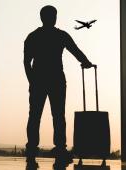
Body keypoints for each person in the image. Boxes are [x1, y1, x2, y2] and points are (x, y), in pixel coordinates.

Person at [24, 5, 93, 167]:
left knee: (34, 116)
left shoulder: (33, 37)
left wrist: (32, 80)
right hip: (56, 79)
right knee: (58, 116)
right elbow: (75, 51)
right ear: (53, 17)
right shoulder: (60, 35)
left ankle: (32, 150)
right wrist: (86, 62)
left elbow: (27, 62)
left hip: (38, 79)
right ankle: (60, 148)